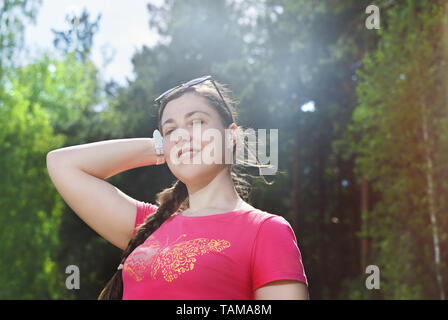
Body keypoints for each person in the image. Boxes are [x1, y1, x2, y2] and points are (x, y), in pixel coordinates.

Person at [46, 76, 309, 300]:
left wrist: (176, 139)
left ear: (231, 136)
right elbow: (61, 164)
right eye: (169, 130)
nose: (182, 135)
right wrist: (163, 149)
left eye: (196, 123)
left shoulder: (266, 231)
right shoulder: (148, 225)